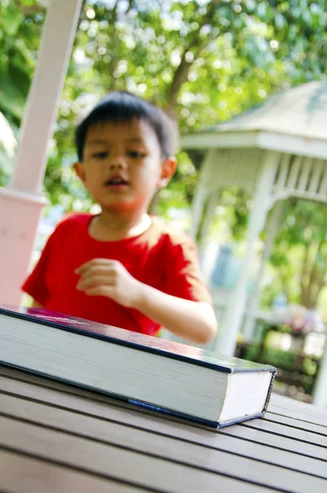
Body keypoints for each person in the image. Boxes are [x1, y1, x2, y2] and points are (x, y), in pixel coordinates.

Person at [22, 91, 217, 345]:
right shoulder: (66, 230)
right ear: (81, 173)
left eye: (135, 153)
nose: (116, 163)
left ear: (165, 170)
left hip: (117, 380)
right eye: (101, 154)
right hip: (46, 365)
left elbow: (204, 327)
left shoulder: (170, 245)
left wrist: (136, 293)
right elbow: (38, 308)